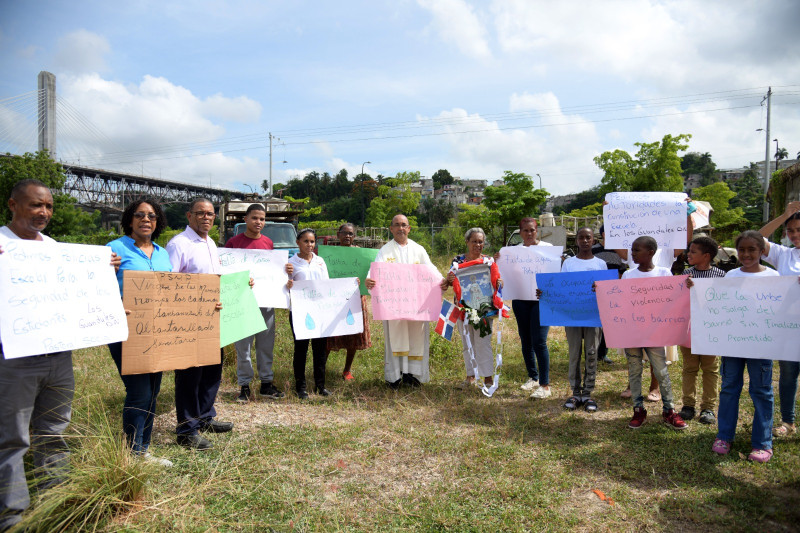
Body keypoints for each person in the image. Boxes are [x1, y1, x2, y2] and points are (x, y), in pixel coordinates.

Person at [0, 179, 118, 531]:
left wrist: (100, 271)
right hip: (14, 360)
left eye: (49, 207)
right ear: (13, 205)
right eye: (36, 205)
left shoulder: (55, 248)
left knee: (54, 432)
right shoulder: (2, 246)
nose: (44, 213)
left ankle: (54, 503)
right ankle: (12, 517)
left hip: (58, 358)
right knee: (12, 439)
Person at [106, 197, 174, 467]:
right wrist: (103, 269)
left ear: (158, 222)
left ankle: (143, 449)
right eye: (140, 215)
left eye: (152, 216)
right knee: (139, 392)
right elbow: (96, 287)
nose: (146, 220)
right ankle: (133, 453)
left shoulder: (162, 253)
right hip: (125, 331)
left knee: (153, 390)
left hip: (157, 332)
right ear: (129, 219)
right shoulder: (114, 249)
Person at [166, 198, 233, 450]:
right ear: (189, 216)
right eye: (200, 213)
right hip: (188, 320)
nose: (206, 218)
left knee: (212, 370)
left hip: (212, 318)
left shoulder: (211, 243)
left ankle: (205, 417)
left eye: (210, 214)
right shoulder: (179, 244)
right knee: (189, 375)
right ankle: (187, 429)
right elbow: (169, 284)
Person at [711, 230, 778, 462]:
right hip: (733, 344)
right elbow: (718, 304)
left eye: (752, 249)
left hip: (762, 345)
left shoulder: (774, 277)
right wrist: (695, 290)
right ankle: (724, 436)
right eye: (742, 250)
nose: (746, 254)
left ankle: (762, 443)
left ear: (762, 251)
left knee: (761, 391)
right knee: (729, 387)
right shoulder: (730, 276)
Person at [225, 203, 291, 402]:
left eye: (262, 219)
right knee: (243, 347)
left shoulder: (268, 243)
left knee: (265, 344)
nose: (258, 222)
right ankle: (244, 386)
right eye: (254, 218)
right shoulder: (233, 243)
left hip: (266, 301)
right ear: (245, 219)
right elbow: (226, 273)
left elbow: (272, 272)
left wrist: (284, 272)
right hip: (241, 301)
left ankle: (266, 384)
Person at [365, 214, 439, 389]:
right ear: (391, 229)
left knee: (416, 337)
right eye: (397, 225)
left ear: (409, 228)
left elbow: (431, 270)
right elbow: (376, 272)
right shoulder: (385, 251)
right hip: (394, 306)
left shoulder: (418, 249)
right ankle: (395, 377)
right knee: (395, 339)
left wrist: (442, 281)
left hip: (416, 305)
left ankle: (412, 375)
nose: (400, 228)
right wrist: (370, 280)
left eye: (404, 225)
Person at [622, 236, 687, 430]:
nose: (632, 254)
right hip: (633, 332)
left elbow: (672, 299)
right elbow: (621, 301)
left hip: (655, 332)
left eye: (636, 250)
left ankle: (669, 410)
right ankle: (638, 409)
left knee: (660, 370)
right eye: (632, 250)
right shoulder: (628, 275)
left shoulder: (664, 272)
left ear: (650, 252)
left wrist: (686, 286)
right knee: (634, 371)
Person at [442, 227, 505, 389]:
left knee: (483, 342)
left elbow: (497, 282)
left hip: (483, 310)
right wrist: (449, 278)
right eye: (474, 241)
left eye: (480, 242)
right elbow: (449, 283)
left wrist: (499, 283)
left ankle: (487, 377)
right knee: (467, 341)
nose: (478, 245)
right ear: (467, 242)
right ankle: (470, 376)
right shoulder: (457, 261)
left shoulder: (488, 262)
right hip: (463, 310)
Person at [758, 200, 800, 438]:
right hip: (789, 328)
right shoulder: (784, 255)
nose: (794, 235)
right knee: (787, 375)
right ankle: (788, 421)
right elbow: (756, 238)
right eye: (790, 230)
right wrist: (785, 214)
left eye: (798, 230)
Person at [554, 227, 606, 412]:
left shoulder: (601, 264)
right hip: (573, 315)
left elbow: (606, 291)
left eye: (588, 237)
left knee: (592, 352)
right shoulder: (568, 264)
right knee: (574, 353)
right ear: (576, 241)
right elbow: (561, 288)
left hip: (593, 315)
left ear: (594, 240)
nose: (585, 241)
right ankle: (575, 393)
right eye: (581, 237)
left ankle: (588, 393)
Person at [677, 236, 725, 425]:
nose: (688, 254)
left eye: (693, 252)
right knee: (689, 368)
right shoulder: (686, 274)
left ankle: (708, 408)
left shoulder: (721, 276)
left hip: (711, 330)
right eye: (689, 251)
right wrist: (684, 287)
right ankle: (688, 405)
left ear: (706, 256)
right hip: (689, 329)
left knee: (710, 369)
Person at [507, 217, 554, 398]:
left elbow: (554, 273)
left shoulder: (548, 249)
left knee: (539, 341)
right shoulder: (513, 251)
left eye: (532, 230)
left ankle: (545, 385)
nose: (529, 234)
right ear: (520, 233)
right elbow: (507, 272)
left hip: (541, 300)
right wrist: (499, 260)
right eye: (525, 230)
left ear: (537, 231)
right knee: (525, 339)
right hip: (520, 299)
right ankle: (533, 377)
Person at [287, 228, 330, 398]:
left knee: (320, 349)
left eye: (312, 241)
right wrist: (288, 284)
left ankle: (320, 385)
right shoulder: (290, 263)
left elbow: (327, 285)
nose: (309, 245)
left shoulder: (320, 261)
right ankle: (301, 387)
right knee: (301, 349)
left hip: (319, 310)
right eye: (306, 241)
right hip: (300, 311)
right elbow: (284, 285)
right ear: (298, 242)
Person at [326, 223, 372, 381]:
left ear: (354, 236)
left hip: (356, 298)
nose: (347, 236)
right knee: (329, 334)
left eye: (351, 234)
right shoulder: (329, 254)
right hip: (335, 299)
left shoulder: (360, 254)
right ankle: (321, 368)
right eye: (344, 233)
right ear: (338, 234)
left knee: (354, 334)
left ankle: (347, 370)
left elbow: (370, 274)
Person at [591, 224, 626, 365]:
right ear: (604, 234)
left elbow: (623, 270)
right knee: (593, 324)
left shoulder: (620, 252)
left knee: (608, 324)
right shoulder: (593, 250)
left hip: (613, 293)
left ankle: (602, 354)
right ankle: (591, 352)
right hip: (594, 292)